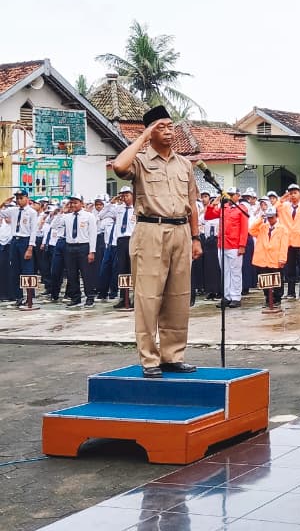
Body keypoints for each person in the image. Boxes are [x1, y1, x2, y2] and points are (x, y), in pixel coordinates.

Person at [112, 104, 202, 378]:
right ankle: (150, 358)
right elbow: (118, 166)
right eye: (160, 127)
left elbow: (192, 204)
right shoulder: (139, 161)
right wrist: (141, 139)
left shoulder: (184, 164)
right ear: (150, 131)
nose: (168, 131)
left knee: (178, 297)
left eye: (170, 125)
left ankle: (172, 356)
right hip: (150, 231)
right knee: (148, 297)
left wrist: (196, 238)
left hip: (181, 232)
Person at [0, 190, 38, 306]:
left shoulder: (31, 212)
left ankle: (30, 298)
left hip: (25, 241)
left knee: (27, 270)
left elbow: (33, 231)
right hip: (14, 241)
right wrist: (3, 203)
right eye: (17, 198)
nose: (19, 200)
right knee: (15, 270)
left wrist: (30, 247)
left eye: (21, 197)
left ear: (27, 198)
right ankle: (18, 297)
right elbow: (1, 213)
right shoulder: (13, 210)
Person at [249, 205, 290, 312]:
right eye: (268, 217)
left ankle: (277, 299)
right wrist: (260, 219)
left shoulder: (283, 229)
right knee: (264, 280)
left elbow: (284, 245)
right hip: (263, 259)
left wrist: (282, 259)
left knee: (277, 280)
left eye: (272, 217)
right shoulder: (263, 227)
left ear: (276, 216)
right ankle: (268, 299)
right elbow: (252, 230)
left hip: (275, 258)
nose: (270, 219)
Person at [61, 194, 98, 307]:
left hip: (83, 246)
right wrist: (63, 211)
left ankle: (90, 296)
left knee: (86, 274)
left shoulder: (88, 216)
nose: (73, 204)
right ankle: (75, 297)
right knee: (72, 274)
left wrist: (92, 251)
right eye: (71, 202)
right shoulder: (67, 216)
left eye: (75, 202)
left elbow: (92, 234)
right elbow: (55, 225)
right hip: (70, 247)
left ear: (81, 203)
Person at [218, 187, 249, 309]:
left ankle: (236, 296)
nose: (230, 197)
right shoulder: (223, 208)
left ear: (238, 196)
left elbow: (244, 228)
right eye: (228, 194)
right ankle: (226, 296)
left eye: (232, 194)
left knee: (235, 271)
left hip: (235, 245)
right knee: (224, 272)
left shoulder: (242, 209)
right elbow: (209, 215)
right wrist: (214, 202)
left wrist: (242, 245)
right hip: (222, 244)